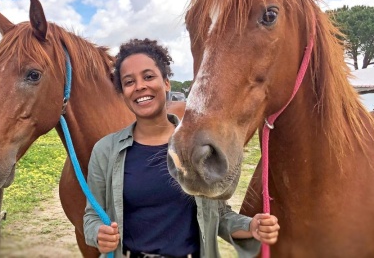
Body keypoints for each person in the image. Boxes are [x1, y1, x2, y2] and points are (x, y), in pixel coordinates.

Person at [83, 38, 280, 258]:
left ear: (166, 82)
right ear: (122, 92)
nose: (140, 86)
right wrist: (98, 234)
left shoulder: (194, 147)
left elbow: (220, 215)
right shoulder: (105, 151)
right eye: (129, 82)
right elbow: (92, 217)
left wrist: (251, 226)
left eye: (148, 77)